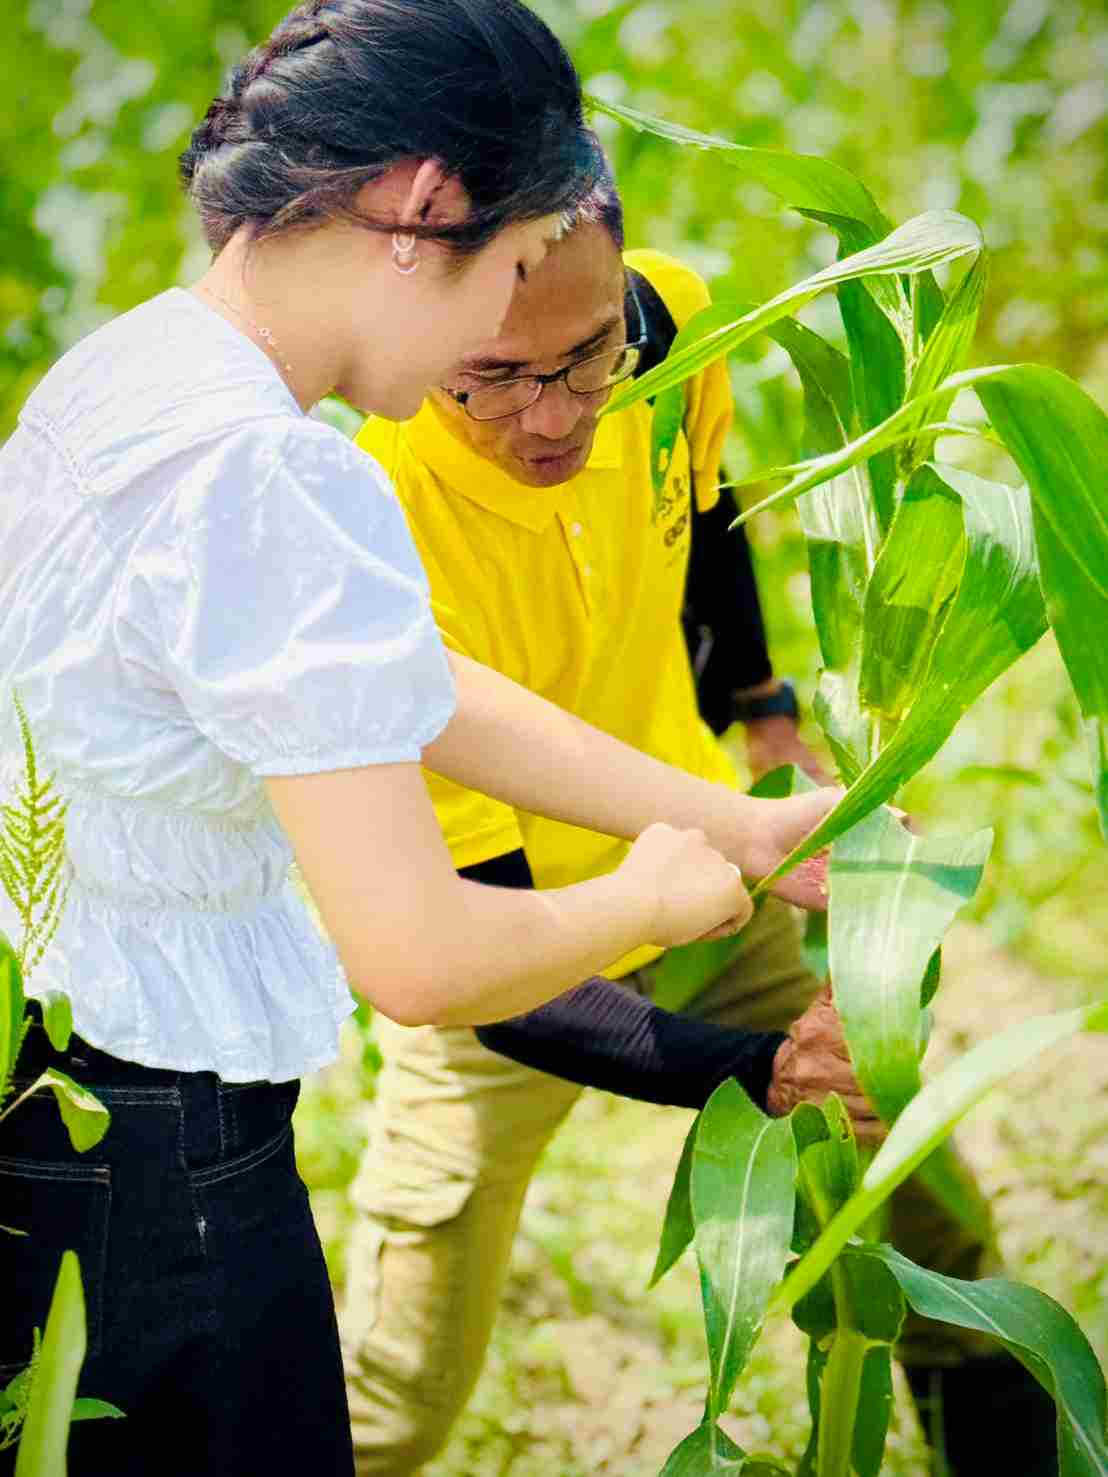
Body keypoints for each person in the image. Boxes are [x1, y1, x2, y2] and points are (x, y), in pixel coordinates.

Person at [0, 5, 861, 1475]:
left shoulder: (135, 373)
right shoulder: (283, 480)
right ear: (421, 212)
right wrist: (649, 899)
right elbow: (414, 958)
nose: (511, 328)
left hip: (45, 1085)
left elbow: (414, 686)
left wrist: (737, 819)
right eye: (519, 267)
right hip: (171, 1150)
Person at [339, 157, 1058, 1477]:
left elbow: (705, 508)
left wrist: (765, 714)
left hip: (718, 875)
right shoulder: (373, 518)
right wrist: (762, 1072)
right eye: (490, 375)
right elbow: (486, 971)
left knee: (931, 1244)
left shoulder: (670, 329)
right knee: (395, 1399)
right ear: (413, 333)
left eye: (588, 355)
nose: (554, 414)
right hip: (503, 953)